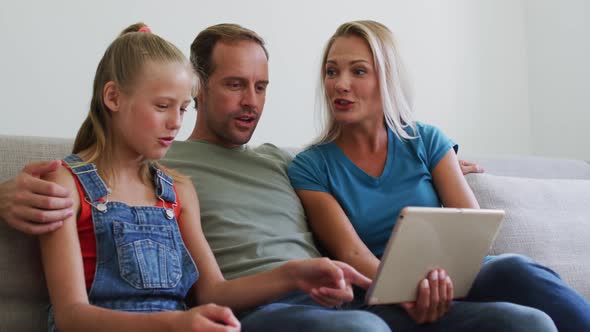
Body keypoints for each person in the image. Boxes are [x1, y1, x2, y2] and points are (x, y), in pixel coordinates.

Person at [0, 23, 551, 332]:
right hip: (262, 315)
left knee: (523, 316)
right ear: (202, 87)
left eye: (262, 87)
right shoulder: (165, 167)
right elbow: (96, 173)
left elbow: (355, 166)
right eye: (235, 85)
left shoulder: (288, 164)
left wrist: (440, 155)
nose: (251, 103)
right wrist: (8, 190)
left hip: (330, 299)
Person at [37, 23, 373, 332]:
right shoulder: (65, 184)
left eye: (181, 109)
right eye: (162, 106)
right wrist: (178, 323)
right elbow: (71, 316)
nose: (175, 123)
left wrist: (296, 273)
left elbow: (214, 290)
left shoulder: (176, 189)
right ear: (113, 98)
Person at [287, 20, 590, 332]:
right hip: (382, 294)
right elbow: (351, 253)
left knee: (516, 268)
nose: (340, 84)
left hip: (455, 277)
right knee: (528, 324)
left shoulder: (427, 140)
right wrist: (409, 290)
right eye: (332, 71)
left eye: (358, 71)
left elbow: (474, 225)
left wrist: (441, 278)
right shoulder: (310, 167)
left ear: (387, 79)